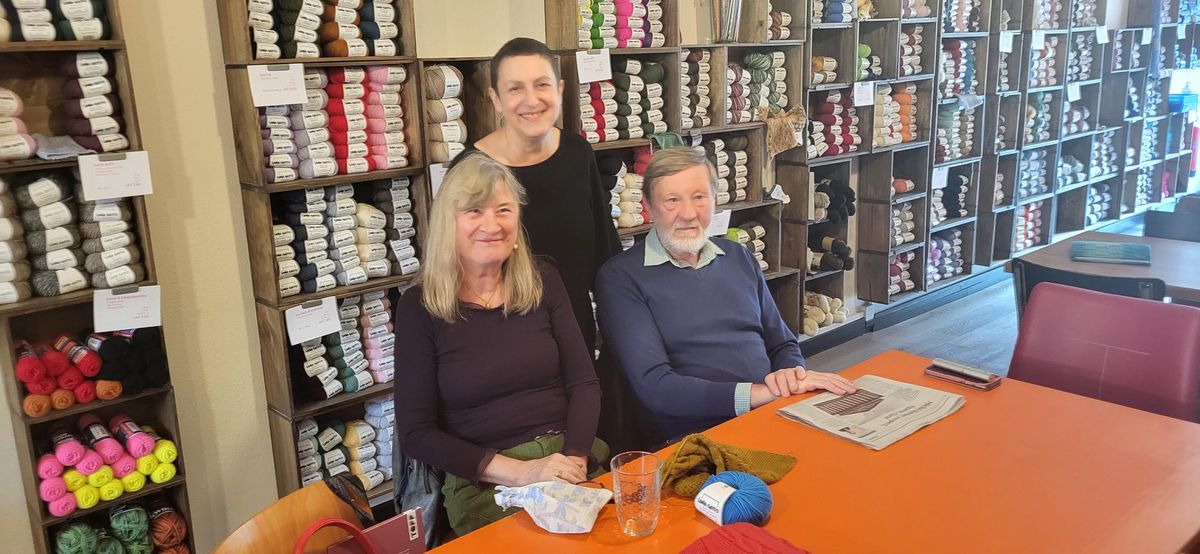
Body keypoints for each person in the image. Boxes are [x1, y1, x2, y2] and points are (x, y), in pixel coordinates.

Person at [393, 153, 606, 536]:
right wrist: (522, 472)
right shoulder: (420, 307)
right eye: (474, 211)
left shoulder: (544, 279)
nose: (491, 225)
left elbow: (584, 383)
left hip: (567, 459)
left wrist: (573, 459)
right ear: (449, 223)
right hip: (487, 483)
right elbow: (417, 432)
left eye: (504, 209)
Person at [595, 148, 858, 446]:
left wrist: (789, 374)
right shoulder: (622, 277)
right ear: (649, 206)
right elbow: (657, 388)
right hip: (692, 438)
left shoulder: (738, 257)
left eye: (699, 197)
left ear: (714, 199)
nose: (688, 213)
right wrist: (761, 394)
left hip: (770, 413)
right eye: (672, 200)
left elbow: (781, 342)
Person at [452, 37, 621, 354]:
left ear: (559, 90)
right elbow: (449, 269)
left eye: (541, 85)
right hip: (499, 345)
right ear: (496, 99)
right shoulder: (469, 170)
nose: (531, 100)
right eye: (515, 88)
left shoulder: (578, 153)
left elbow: (604, 249)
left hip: (575, 336)